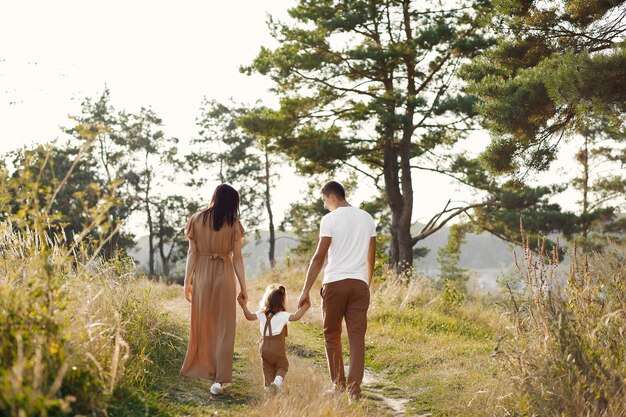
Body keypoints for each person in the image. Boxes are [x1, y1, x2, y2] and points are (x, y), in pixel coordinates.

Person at [297, 180, 376, 402]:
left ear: (332, 196)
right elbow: (371, 256)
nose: (324, 205)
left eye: (324, 200)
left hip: (334, 284)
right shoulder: (367, 218)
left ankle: (338, 385)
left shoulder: (330, 219)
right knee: (357, 338)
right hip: (360, 285)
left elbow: (319, 257)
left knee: (332, 335)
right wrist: (366, 284)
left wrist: (305, 290)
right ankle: (354, 392)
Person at [180, 184, 248, 396]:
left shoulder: (196, 219)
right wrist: (243, 287)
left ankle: (204, 366)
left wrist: (187, 281)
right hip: (225, 274)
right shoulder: (234, 223)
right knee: (225, 327)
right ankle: (221, 379)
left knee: (203, 322)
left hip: (202, 274)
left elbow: (192, 252)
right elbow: (237, 258)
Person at [238, 284, 310, 393]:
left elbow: (249, 316)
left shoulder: (262, 313)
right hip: (277, 346)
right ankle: (277, 383)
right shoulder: (282, 315)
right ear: (281, 301)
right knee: (282, 365)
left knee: (267, 370)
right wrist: (306, 306)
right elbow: (296, 316)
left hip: (264, 346)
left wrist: (243, 305)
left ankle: (268, 389)